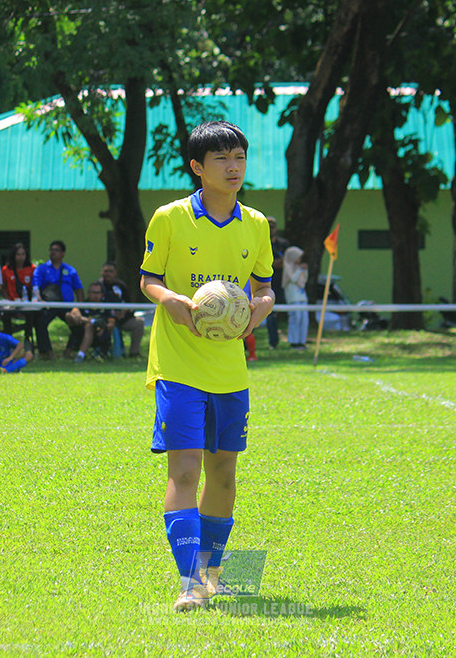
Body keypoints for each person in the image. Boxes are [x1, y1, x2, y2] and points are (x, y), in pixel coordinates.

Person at [139, 120, 274, 612]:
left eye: (238, 156)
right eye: (221, 158)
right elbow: (148, 278)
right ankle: (189, 583)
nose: (233, 165)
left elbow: (264, 287)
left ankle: (213, 573)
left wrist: (263, 305)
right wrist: (170, 298)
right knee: (185, 469)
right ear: (198, 167)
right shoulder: (169, 218)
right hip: (177, 363)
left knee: (223, 473)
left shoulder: (256, 224)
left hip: (229, 369)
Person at [31, 240, 84, 360]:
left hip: (66, 305)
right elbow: (35, 287)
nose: (53, 252)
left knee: (77, 322)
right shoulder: (42, 269)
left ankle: (69, 350)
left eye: (56, 250)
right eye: (51, 250)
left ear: (63, 253)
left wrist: (79, 307)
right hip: (49, 305)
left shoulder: (70, 270)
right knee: (40, 323)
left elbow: (79, 289)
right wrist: (40, 301)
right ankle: (48, 352)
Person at [99, 261, 145, 358]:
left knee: (139, 323)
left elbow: (128, 304)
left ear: (115, 273)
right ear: (101, 272)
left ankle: (134, 353)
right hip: (105, 319)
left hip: (122, 319)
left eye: (110, 271)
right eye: (105, 271)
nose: (108, 274)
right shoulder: (98, 286)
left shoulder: (121, 286)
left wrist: (124, 312)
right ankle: (106, 353)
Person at [65, 281, 117, 361]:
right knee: (69, 316)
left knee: (89, 326)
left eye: (98, 292)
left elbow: (111, 324)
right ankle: (72, 353)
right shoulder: (83, 305)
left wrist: (103, 327)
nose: (96, 295)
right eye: (93, 292)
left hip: (100, 335)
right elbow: (73, 313)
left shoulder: (106, 307)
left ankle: (80, 355)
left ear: (102, 294)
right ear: (88, 293)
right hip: (80, 334)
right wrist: (90, 321)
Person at [1, 243, 36, 350]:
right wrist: (8, 300)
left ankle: (27, 339)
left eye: (23, 254)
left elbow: (34, 287)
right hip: (11, 302)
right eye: (18, 254)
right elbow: (3, 287)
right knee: (5, 315)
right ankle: (9, 340)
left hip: (26, 302)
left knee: (31, 315)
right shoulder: (6, 269)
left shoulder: (32, 268)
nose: (21, 257)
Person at [264, 217, 288, 350]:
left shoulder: (283, 243)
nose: (271, 228)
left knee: (277, 313)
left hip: (280, 283)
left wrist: (275, 263)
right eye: (268, 225)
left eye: (273, 225)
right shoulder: (262, 242)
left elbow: (287, 261)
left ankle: (275, 342)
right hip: (265, 282)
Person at [282, 246, 309, 349]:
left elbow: (304, 280)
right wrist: (299, 271)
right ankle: (294, 341)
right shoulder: (288, 267)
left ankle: (302, 341)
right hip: (293, 297)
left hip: (302, 296)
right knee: (295, 318)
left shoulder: (298, 267)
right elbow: (293, 279)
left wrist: (305, 271)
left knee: (304, 319)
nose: (300, 259)